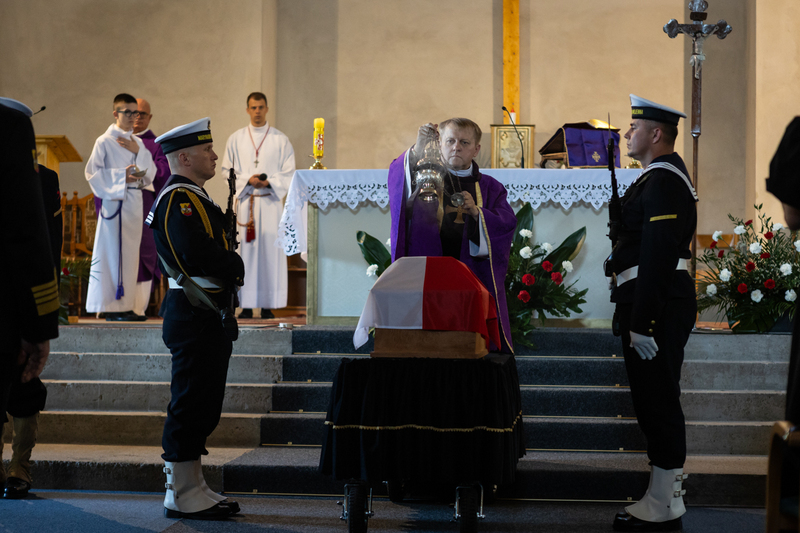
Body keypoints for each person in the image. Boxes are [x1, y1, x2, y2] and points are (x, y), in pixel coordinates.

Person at [607, 95, 697, 532]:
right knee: (652, 399)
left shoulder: (663, 180)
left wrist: (642, 323)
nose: (627, 133)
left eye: (633, 127)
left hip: (656, 306)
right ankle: (662, 496)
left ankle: (665, 501)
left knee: (658, 400)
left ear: (655, 134)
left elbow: (659, 255)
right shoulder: (654, 179)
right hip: (647, 301)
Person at [148, 117, 244, 519]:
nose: (215, 155)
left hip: (205, 313)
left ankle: (194, 484)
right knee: (190, 401)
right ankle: (180, 492)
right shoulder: (177, 198)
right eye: (207, 151)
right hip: (193, 312)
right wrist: (234, 263)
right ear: (184, 157)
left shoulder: (194, 195)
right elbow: (194, 252)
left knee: (203, 400)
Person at [388, 118, 517, 353]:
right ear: (440, 144)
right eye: (450, 141)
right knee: (425, 345)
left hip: (470, 276)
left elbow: (506, 223)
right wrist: (417, 150)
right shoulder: (425, 177)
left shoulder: (490, 187)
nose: (456, 147)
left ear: (476, 149)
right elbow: (398, 185)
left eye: (464, 142)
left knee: (466, 346)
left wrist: (478, 214)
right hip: (427, 272)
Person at [0, 97, 60, 497]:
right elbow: (31, 243)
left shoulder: (46, 179)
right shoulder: (19, 176)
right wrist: (41, 320)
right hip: (13, 301)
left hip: (23, 296)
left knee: (23, 388)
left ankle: (19, 468)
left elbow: (49, 244)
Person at [221, 92, 295, 319]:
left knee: (269, 255)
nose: (257, 111)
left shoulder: (280, 139)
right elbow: (226, 170)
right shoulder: (236, 139)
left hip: (271, 205)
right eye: (253, 107)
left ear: (267, 108)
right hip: (246, 205)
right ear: (247, 109)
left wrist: (269, 182)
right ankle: (244, 304)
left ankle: (266, 305)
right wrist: (247, 180)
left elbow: (289, 172)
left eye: (261, 107)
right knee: (245, 255)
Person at [85, 93, 155, 321]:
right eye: (128, 112)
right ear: (116, 113)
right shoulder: (103, 141)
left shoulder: (140, 143)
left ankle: (126, 306)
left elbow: (150, 175)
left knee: (130, 255)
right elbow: (92, 174)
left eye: (136, 113)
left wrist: (137, 153)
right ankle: (112, 307)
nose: (133, 117)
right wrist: (120, 177)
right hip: (115, 203)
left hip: (134, 203)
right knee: (114, 253)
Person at [131, 98, 171, 317]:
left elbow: (162, 173)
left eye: (142, 114)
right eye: (133, 113)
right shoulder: (115, 140)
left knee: (142, 254)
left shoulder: (157, 144)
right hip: (121, 210)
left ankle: (138, 307)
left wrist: (131, 176)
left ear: (150, 117)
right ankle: (115, 307)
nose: (137, 117)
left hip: (145, 209)